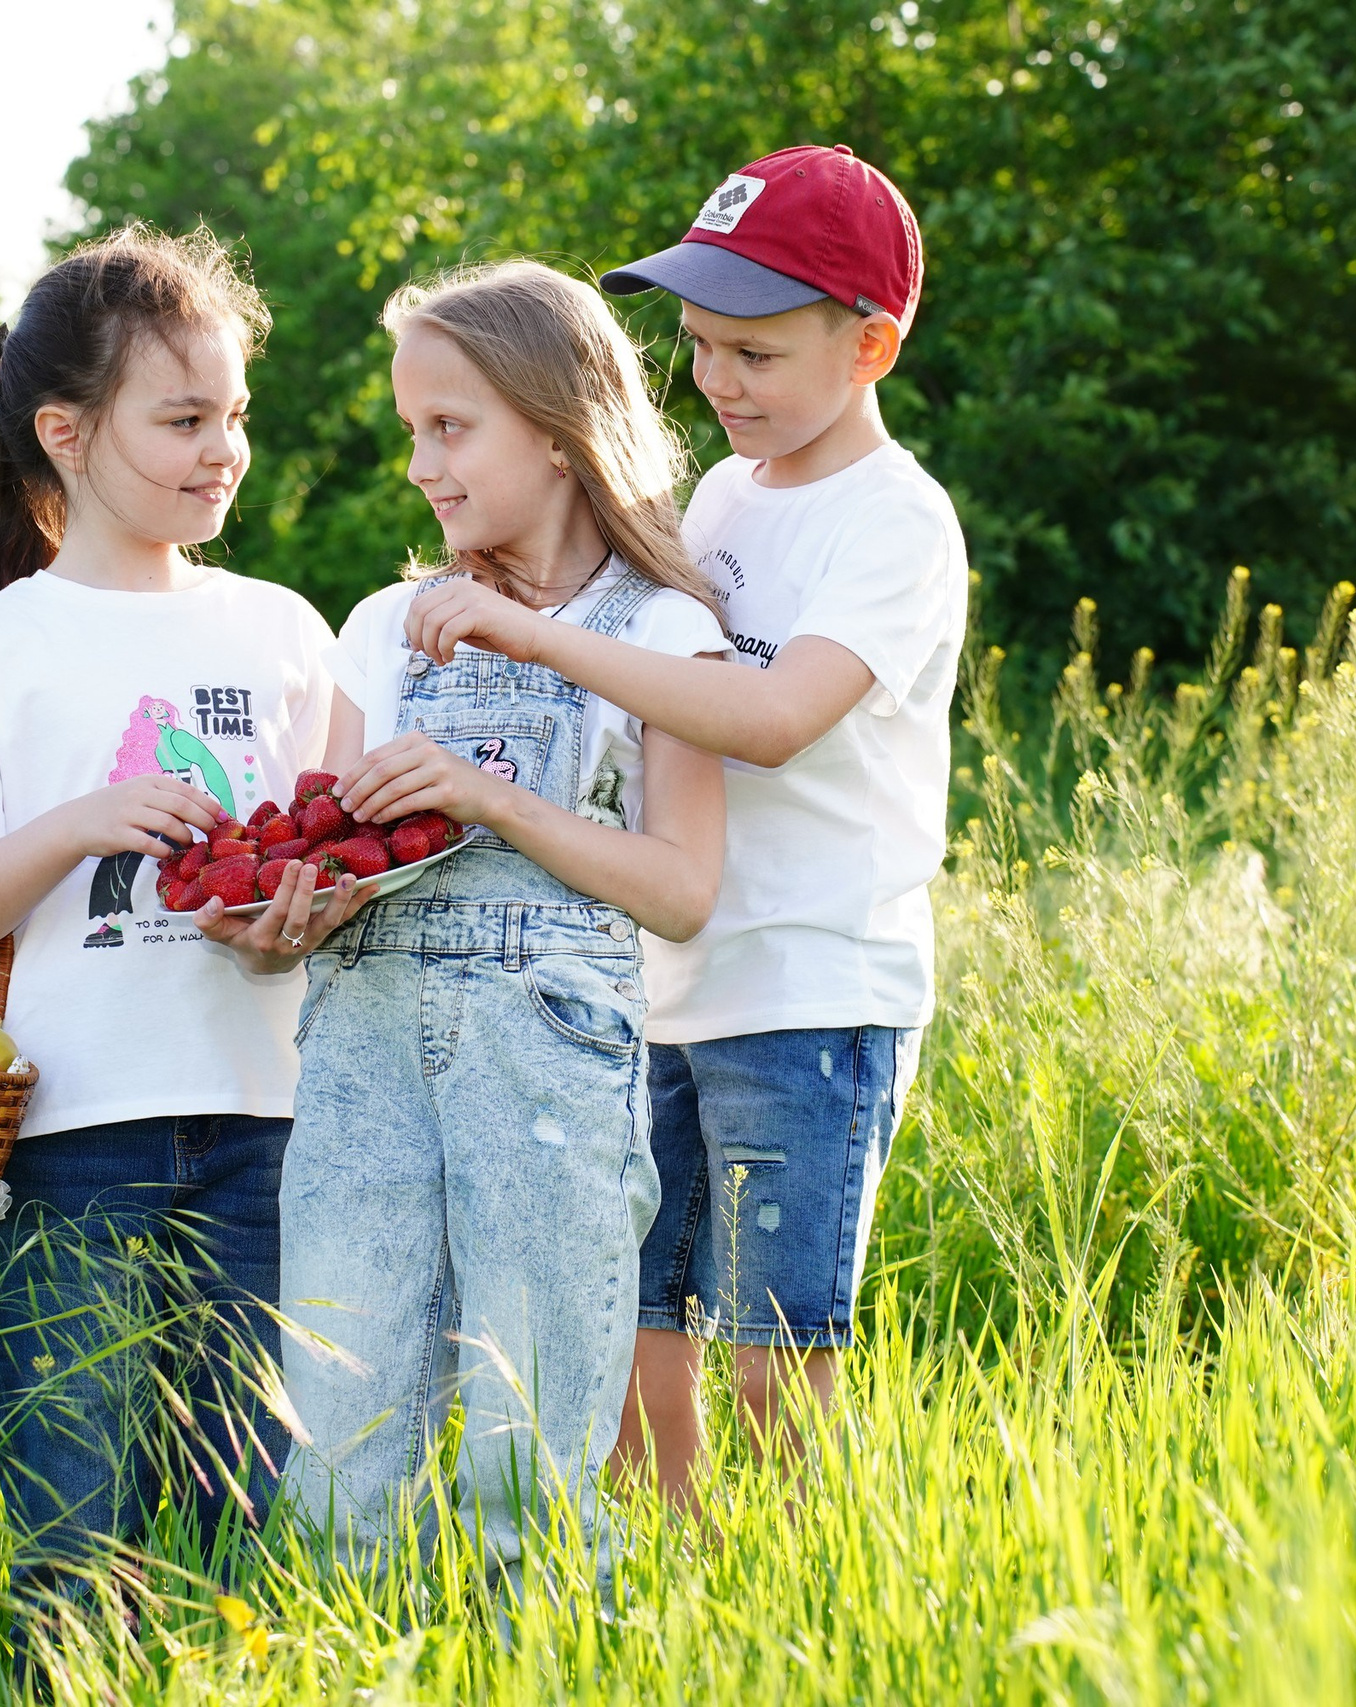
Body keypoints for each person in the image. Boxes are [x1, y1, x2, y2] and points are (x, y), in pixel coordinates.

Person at [400, 146, 969, 1511]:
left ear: (871, 346)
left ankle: (801, 1595)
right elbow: (621, 619)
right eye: (701, 345)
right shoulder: (721, 496)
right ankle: (677, 1597)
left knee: (778, 1357)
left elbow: (767, 719)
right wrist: (513, 571)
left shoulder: (896, 523)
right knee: (641, 1342)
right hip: (668, 983)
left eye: (757, 354)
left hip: (813, 991)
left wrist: (530, 633)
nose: (716, 381)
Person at [207, 259, 728, 1587]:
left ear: (556, 429)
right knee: (337, 1441)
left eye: (452, 427)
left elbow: (680, 888)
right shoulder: (381, 629)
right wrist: (273, 914)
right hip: (362, 1051)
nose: (423, 466)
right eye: (412, 432)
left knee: (528, 1457)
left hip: (547, 1056)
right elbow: (312, 875)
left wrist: (487, 795)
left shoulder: (660, 631)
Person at [0, 227, 356, 1613]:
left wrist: (291, 921)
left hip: (266, 1130)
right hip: (65, 1145)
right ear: (68, 433)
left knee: (237, 1524)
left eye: (236, 417)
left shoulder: (279, 629)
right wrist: (82, 821)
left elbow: (311, 856)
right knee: (77, 1535)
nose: (225, 451)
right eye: (185, 419)